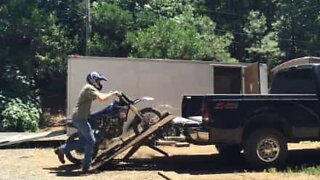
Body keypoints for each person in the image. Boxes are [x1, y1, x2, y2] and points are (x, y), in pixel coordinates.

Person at [54, 71, 120, 173]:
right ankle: (86, 167)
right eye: (98, 80)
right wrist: (113, 93)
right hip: (80, 118)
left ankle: (62, 149)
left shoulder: (89, 88)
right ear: (93, 80)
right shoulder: (89, 88)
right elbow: (102, 98)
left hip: (80, 117)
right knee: (91, 141)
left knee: (83, 141)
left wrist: (109, 93)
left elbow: (100, 95)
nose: (99, 82)